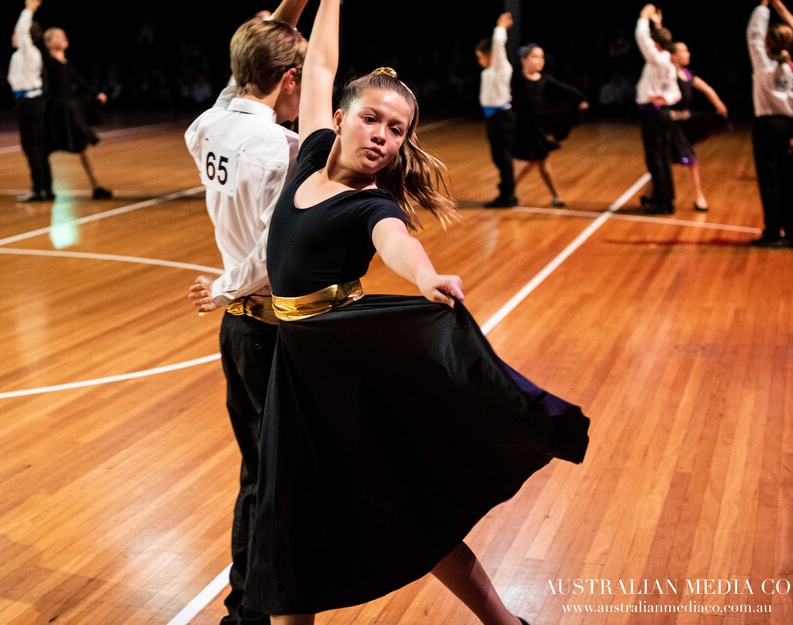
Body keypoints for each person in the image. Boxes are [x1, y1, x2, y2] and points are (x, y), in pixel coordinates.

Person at [242, 1, 590, 624]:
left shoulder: (371, 207)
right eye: (371, 119)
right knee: (291, 521)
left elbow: (399, 244)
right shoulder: (311, 148)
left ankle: (506, 623)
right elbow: (320, 64)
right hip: (295, 370)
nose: (381, 134)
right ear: (342, 119)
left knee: (404, 507)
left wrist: (427, 275)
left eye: (396, 129)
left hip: (340, 371)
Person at [184, 3, 309, 625]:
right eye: (301, 79)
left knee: (257, 473)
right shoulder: (279, 146)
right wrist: (226, 285)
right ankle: (251, 609)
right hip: (266, 324)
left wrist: (285, 17)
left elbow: (246, 73)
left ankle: (247, 606)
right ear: (289, 81)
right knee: (273, 479)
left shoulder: (208, 127)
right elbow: (268, 251)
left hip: (238, 333)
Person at [640, 40, 730, 212]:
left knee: (667, 159)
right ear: (673, 56)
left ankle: (649, 193)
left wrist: (719, 104)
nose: (687, 54)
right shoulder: (668, 73)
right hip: (670, 123)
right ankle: (698, 197)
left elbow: (707, 89)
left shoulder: (688, 75)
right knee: (679, 159)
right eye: (683, 51)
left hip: (684, 123)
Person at [746, 0, 793, 248]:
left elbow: (754, 35)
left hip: (767, 125)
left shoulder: (764, 66)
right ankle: (790, 231)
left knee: (769, 180)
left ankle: (772, 231)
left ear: (769, 44)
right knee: (788, 180)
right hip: (788, 126)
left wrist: (763, 7)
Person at [510, 43, 589, 207]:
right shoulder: (516, 80)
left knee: (538, 161)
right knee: (536, 162)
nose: (540, 60)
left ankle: (512, 190)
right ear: (524, 60)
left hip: (539, 127)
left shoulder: (545, 79)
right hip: (524, 128)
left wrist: (581, 99)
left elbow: (566, 90)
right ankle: (552, 195)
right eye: (535, 56)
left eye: (541, 57)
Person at [42, 26, 113, 200]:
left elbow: (80, 82)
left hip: (68, 111)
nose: (63, 37)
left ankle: (96, 186)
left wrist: (96, 93)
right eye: (58, 36)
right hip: (55, 110)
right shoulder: (49, 63)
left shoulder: (65, 64)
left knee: (82, 148)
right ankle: (45, 187)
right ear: (49, 43)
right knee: (45, 149)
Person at [634, 4, 681, 215]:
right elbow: (676, 92)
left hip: (651, 113)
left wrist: (644, 17)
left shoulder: (656, 58)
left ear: (656, 44)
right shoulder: (669, 62)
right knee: (662, 156)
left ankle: (660, 201)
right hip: (661, 112)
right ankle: (667, 198)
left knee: (655, 158)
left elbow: (642, 38)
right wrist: (666, 99)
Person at [7, 0, 53, 203]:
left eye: (17, 33)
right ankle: (45, 188)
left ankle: (40, 189)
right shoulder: (20, 56)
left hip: (30, 103)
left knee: (33, 147)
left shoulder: (29, 53)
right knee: (35, 147)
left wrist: (29, 10)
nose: (14, 35)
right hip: (25, 103)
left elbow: (23, 30)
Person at [475, 12, 518, 208]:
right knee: (499, 157)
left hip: (502, 117)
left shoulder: (500, 67)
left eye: (480, 57)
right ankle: (508, 193)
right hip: (494, 117)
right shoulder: (488, 71)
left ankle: (507, 195)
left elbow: (499, 46)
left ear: (489, 54)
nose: (479, 61)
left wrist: (500, 28)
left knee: (503, 157)